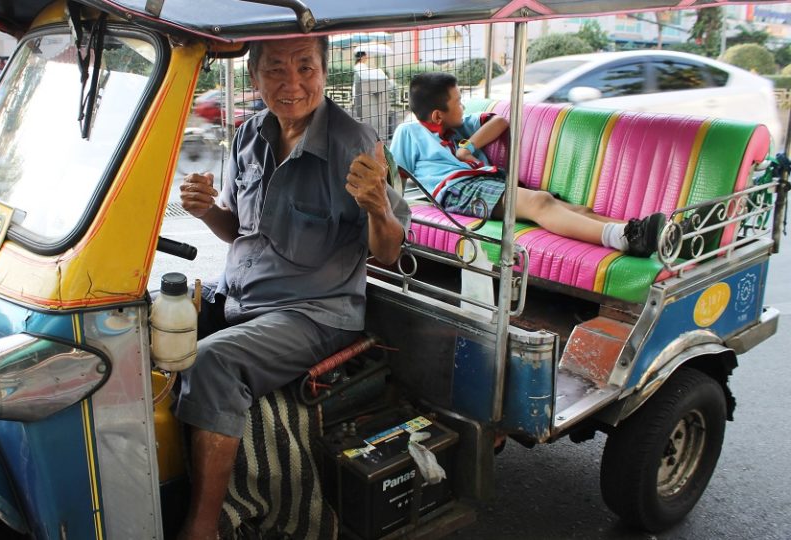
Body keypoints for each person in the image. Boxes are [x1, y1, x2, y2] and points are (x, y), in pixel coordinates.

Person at [176, 36, 410, 539]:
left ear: (325, 73)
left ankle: (203, 528)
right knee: (144, 331)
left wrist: (378, 206)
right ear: (256, 77)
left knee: (212, 361)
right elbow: (237, 228)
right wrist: (205, 210)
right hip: (241, 298)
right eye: (276, 70)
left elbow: (388, 251)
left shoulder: (353, 143)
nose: (293, 83)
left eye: (306, 67)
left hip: (314, 313)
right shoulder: (248, 134)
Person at [390, 72, 665, 258]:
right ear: (438, 115)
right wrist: (396, 218)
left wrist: (468, 147)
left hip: (488, 181)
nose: (463, 107)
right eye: (459, 102)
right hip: (458, 189)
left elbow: (500, 122)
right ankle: (621, 237)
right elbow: (395, 178)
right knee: (539, 202)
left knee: (579, 209)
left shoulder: (461, 128)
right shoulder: (409, 133)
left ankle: (650, 235)